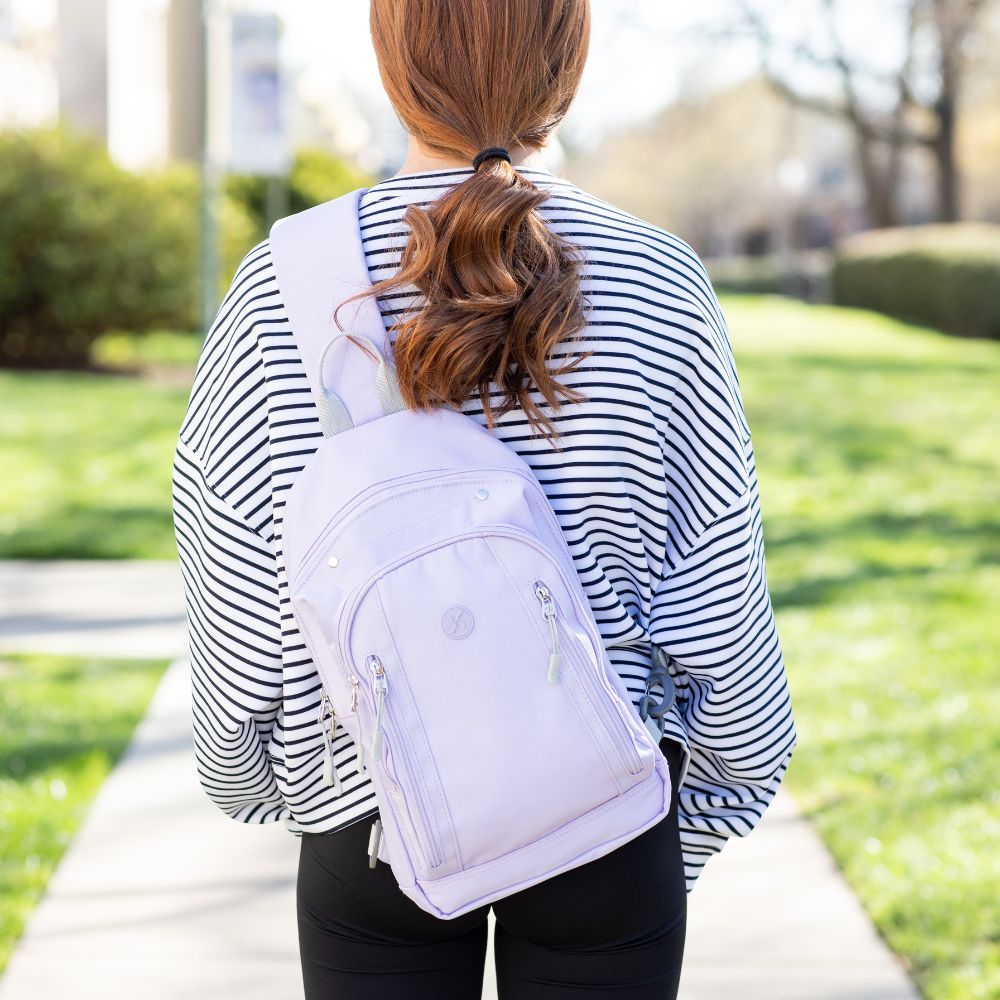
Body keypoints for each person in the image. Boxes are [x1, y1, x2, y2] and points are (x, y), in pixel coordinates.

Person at [171, 1, 798, 997]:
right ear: (568, 57)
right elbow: (716, 597)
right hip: (605, 810)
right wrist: (695, 816)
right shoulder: (659, 279)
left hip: (369, 811)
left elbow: (236, 592)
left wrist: (283, 793)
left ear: (392, 57)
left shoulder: (278, 284)